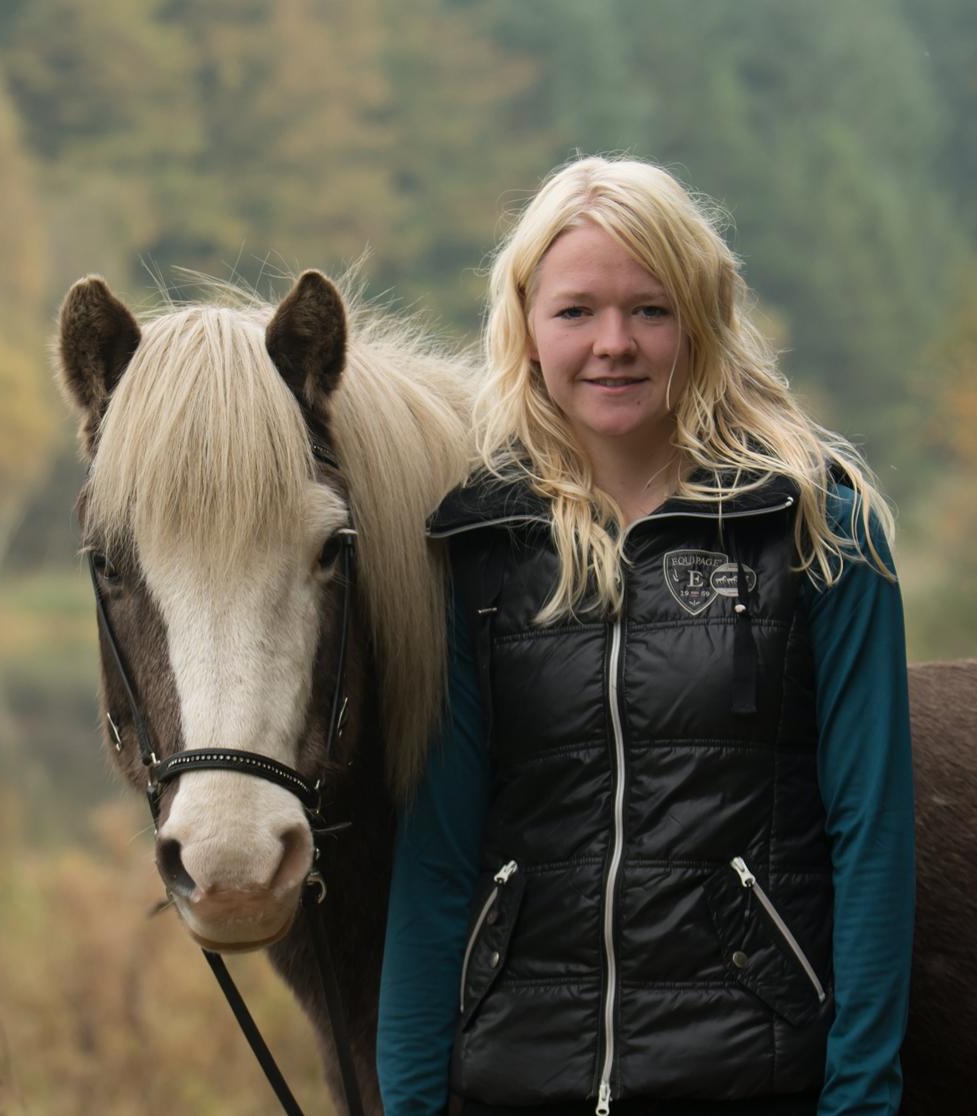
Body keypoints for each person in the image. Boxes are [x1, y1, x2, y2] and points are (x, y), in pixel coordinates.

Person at [375, 156, 914, 1116]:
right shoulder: (477, 546)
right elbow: (440, 853)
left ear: (700, 320)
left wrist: (862, 1096)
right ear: (527, 324)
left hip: (752, 1076)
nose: (613, 344)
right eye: (577, 310)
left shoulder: (820, 529)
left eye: (650, 310)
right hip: (516, 1079)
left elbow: (872, 834)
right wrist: (411, 1100)